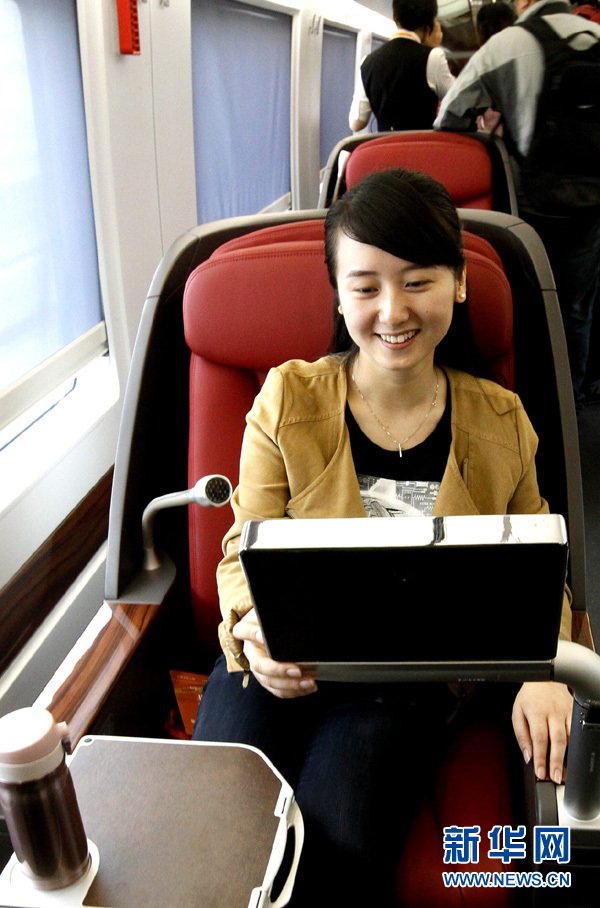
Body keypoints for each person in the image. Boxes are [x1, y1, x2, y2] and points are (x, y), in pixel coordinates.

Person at [193, 168, 573, 907]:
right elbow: (243, 545)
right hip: (279, 660)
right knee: (220, 831)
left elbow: (538, 562)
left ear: (459, 284)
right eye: (365, 287)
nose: (393, 311)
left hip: (406, 683)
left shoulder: (501, 420)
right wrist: (251, 628)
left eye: (418, 281)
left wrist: (544, 669)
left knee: (336, 844)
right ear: (338, 295)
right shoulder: (287, 398)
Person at [434, 0, 600, 411]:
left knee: (530, 301)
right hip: (593, 200)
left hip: (535, 202)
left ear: (523, 4)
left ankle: (532, 402)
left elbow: (449, 117)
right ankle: (572, 400)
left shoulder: (509, 43)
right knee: (578, 306)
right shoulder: (596, 36)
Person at [348, 0, 454, 132]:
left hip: (386, 144)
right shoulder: (433, 57)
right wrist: (431, 48)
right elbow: (457, 102)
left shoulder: (367, 62)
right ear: (430, 23)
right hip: (423, 143)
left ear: (395, 17)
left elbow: (356, 124)